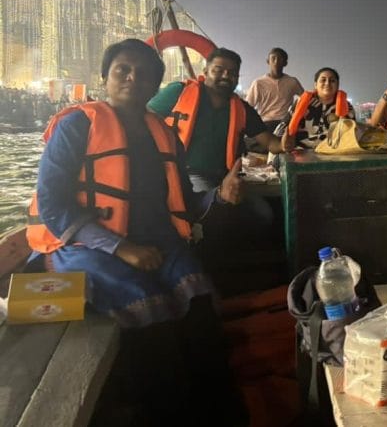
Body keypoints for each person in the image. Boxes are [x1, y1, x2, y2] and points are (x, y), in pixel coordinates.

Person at [26, 39, 246, 423]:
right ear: (105, 77)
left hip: (155, 240)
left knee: (198, 297)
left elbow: (186, 202)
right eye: (122, 70)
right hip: (81, 243)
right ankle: (165, 410)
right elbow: (52, 204)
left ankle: (216, 405)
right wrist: (120, 247)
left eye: (144, 73)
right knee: (147, 306)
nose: (132, 77)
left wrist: (221, 196)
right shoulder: (77, 124)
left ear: (155, 86)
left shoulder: (163, 134)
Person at [148, 47, 291, 226]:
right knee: (215, 213)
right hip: (187, 174)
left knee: (264, 214)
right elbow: (144, 117)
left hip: (225, 176)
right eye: (219, 70)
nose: (225, 76)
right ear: (206, 71)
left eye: (232, 73)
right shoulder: (178, 92)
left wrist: (284, 144)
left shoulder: (242, 109)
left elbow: (271, 143)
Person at [281, 67, 355, 148]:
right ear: (315, 85)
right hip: (301, 151)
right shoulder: (300, 103)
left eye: (332, 80)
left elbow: (351, 134)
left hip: (333, 151)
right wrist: (283, 144)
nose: (327, 83)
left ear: (337, 85)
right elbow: (282, 129)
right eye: (323, 80)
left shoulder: (347, 107)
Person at [245, 47, 304, 132]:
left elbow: (305, 98)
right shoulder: (258, 83)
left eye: (280, 59)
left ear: (285, 63)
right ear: (268, 61)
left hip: (286, 123)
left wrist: (299, 115)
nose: (276, 62)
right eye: (273, 58)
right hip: (265, 123)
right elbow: (248, 106)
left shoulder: (292, 81)